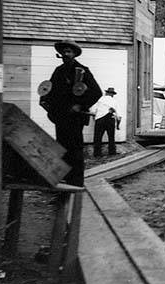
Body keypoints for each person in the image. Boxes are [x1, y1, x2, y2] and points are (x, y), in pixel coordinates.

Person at [40, 40, 102, 186]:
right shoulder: (58, 71)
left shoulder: (82, 70)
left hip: (75, 117)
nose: (66, 54)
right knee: (62, 146)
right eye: (64, 52)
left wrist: (80, 106)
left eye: (69, 51)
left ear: (74, 54)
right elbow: (50, 90)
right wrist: (45, 101)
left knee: (75, 148)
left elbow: (96, 92)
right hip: (61, 117)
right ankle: (65, 179)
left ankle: (76, 181)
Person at [91, 87, 120, 157]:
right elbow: (119, 115)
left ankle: (97, 153)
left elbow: (93, 111)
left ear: (106, 93)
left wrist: (95, 117)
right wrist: (118, 125)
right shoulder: (114, 101)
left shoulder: (100, 100)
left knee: (98, 137)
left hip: (100, 119)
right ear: (112, 94)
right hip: (110, 118)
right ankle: (112, 152)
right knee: (111, 136)